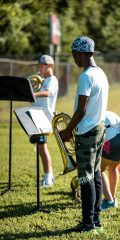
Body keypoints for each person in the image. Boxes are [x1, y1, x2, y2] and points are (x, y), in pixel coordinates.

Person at [61, 36, 109, 233]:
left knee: (85, 179)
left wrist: (67, 131)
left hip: (88, 133)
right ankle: (95, 219)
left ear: (80, 54)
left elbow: (81, 111)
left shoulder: (86, 76)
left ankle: (88, 223)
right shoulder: (101, 73)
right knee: (96, 175)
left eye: (74, 54)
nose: (74, 58)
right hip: (99, 129)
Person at [31, 55, 59, 187]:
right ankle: (48, 175)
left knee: (43, 148)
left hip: (44, 119)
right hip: (37, 118)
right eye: (40, 65)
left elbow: (48, 93)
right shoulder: (42, 80)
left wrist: (31, 93)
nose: (40, 67)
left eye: (43, 65)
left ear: (51, 66)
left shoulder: (52, 80)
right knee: (40, 148)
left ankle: (48, 177)